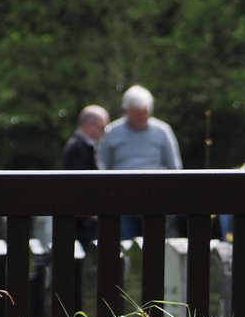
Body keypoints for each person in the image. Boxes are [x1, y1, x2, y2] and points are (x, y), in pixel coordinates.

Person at [97, 85, 182, 242]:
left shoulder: (163, 131)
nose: (143, 117)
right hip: (122, 203)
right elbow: (102, 166)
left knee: (156, 245)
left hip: (155, 202)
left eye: (146, 112)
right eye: (138, 113)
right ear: (127, 111)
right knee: (124, 246)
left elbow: (175, 167)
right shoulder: (112, 132)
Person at [60, 104, 109, 244]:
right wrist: (88, 214)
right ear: (89, 125)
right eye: (103, 127)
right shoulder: (77, 148)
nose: (105, 132)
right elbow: (76, 185)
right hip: (81, 222)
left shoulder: (84, 146)